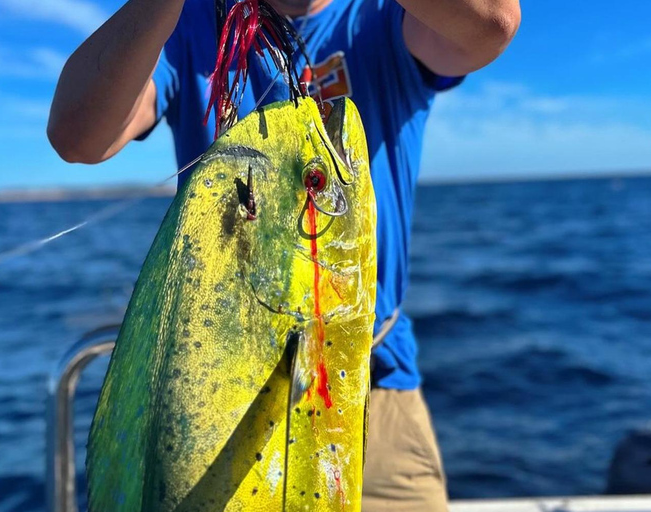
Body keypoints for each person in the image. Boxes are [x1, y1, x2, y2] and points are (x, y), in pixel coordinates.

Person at [48, 0, 520, 509]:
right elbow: (79, 137)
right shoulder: (192, 25)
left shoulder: (381, 18)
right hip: (213, 405)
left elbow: (492, 24)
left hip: (376, 388)